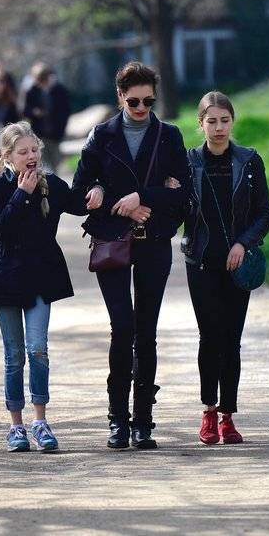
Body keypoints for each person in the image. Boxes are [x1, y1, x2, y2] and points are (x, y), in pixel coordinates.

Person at [71, 61, 190, 450]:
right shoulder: (101, 136)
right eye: (134, 101)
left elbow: (183, 197)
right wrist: (106, 196)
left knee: (147, 333)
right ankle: (116, 420)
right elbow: (79, 193)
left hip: (154, 242)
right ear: (120, 96)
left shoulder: (169, 136)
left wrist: (145, 197)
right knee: (122, 328)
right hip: (112, 241)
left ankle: (143, 423)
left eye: (149, 101)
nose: (142, 108)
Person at [0, 121, 104, 452]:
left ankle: (41, 420)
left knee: (37, 349)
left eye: (34, 150)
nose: (31, 156)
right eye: (23, 152)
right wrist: (22, 195)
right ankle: (16, 427)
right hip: (6, 277)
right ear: (8, 157)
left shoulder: (50, 184)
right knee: (13, 356)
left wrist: (97, 192)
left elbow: (79, 202)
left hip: (40, 277)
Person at [181, 91, 269, 445]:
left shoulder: (249, 161)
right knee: (210, 337)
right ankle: (208, 411)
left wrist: (242, 242)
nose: (218, 128)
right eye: (211, 121)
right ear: (200, 124)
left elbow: (265, 213)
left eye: (225, 121)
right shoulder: (189, 162)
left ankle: (228, 417)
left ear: (232, 122)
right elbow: (180, 214)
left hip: (237, 264)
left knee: (231, 341)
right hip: (201, 262)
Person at [24, 64, 71, 175]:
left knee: (55, 162)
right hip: (39, 133)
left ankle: (53, 186)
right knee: (42, 162)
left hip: (55, 133)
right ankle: (44, 186)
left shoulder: (59, 90)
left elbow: (65, 111)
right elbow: (26, 110)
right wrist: (34, 112)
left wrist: (61, 128)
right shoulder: (32, 91)